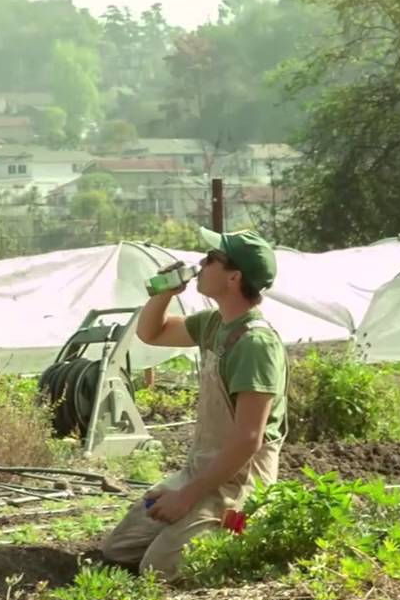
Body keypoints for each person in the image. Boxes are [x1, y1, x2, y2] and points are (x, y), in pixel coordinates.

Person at [100, 227, 287, 580]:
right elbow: (151, 333)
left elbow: (249, 439)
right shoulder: (216, 324)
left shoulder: (255, 344)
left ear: (234, 277)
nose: (201, 263)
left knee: (159, 569)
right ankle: (199, 518)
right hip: (200, 472)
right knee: (119, 549)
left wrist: (187, 497)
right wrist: (163, 292)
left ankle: (247, 527)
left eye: (212, 259)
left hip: (238, 482)